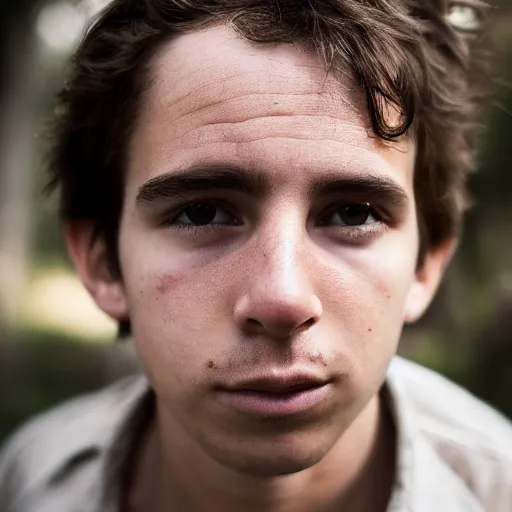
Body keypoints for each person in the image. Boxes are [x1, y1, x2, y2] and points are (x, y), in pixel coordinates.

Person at [1, 0, 511, 510]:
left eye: (353, 214)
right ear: (102, 260)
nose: (282, 298)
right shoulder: (28, 479)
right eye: (201, 213)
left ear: (426, 264)